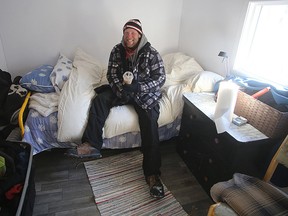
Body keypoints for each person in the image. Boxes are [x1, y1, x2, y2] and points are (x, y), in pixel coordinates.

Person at [67, 19, 166, 198]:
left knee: (150, 122)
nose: (129, 36)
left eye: (133, 33)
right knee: (100, 101)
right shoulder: (116, 50)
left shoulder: (151, 53)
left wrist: (138, 87)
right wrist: (121, 89)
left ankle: (152, 175)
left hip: (143, 94)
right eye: (126, 32)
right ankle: (91, 144)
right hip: (122, 90)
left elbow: (160, 78)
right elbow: (111, 74)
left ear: (140, 35)